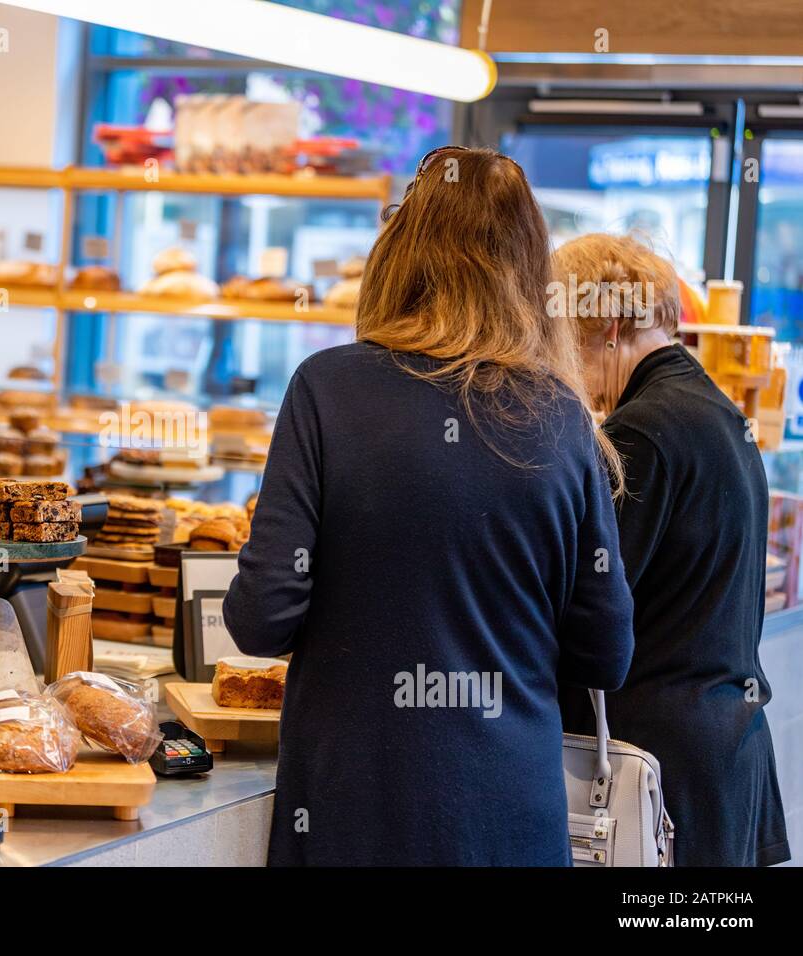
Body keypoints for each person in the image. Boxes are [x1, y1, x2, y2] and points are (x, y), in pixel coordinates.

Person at [222, 146, 635, 866]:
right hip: (511, 819)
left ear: (397, 249)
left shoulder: (327, 390)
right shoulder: (562, 418)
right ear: (530, 271)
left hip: (353, 813)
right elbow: (606, 650)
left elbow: (261, 618)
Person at [555, 233, 791, 867]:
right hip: (727, 758)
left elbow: (593, 608)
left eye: (566, 342)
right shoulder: (713, 412)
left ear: (606, 326)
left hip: (660, 771)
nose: (567, 371)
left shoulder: (641, 430)